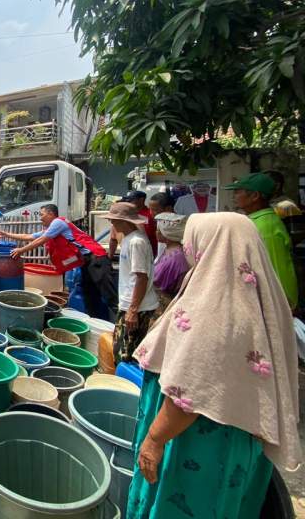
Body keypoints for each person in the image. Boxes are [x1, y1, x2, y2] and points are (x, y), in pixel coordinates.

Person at [129, 213, 301, 518]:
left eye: (191, 244)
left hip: (195, 447)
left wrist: (154, 439)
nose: (187, 250)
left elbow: (191, 389)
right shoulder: (262, 297)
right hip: (238, 443)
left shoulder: (216, 303)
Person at [0, 204, 118, 320]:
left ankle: (124, 325)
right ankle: (95, 323)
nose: (40, 218)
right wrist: (7, 234)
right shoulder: (51, 229)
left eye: (42, 214)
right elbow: (29, 236)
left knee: (108, 294)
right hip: (86, 262)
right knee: (89, 295)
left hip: (96, 258)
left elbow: (42, 240)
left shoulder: (58, 222)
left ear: (51, 214)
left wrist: (21, 250)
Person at [226, 172, 298, 309]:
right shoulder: (256, 221)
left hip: (275, 302)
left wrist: (284, 305)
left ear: (255, 196)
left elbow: (276, 267)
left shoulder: (266, 227)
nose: (234, 196)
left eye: (237, 192)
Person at [103, 202, 159, 363]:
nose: (111, 223)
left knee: (124, 354)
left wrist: (133, 310)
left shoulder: (137, 242)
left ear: (124, 221)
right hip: (130, 304)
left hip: (137, 306)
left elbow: (141, 277)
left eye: (113, 220)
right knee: (123, 350)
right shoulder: (129, 239)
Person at [152, 213, 189, 311]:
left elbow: (156, 282)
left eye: (158, 230)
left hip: (166, 306)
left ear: (165, 233)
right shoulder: (170, 250)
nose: (156, 232)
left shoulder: (175, 258)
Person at [110, 191, 157, 258]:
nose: (129, 202)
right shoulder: (126, 215)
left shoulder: (150, 215)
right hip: (128, 250)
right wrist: (110, 257)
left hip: (147, 251)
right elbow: (113, 239)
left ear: (141, 200)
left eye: (132, 200)